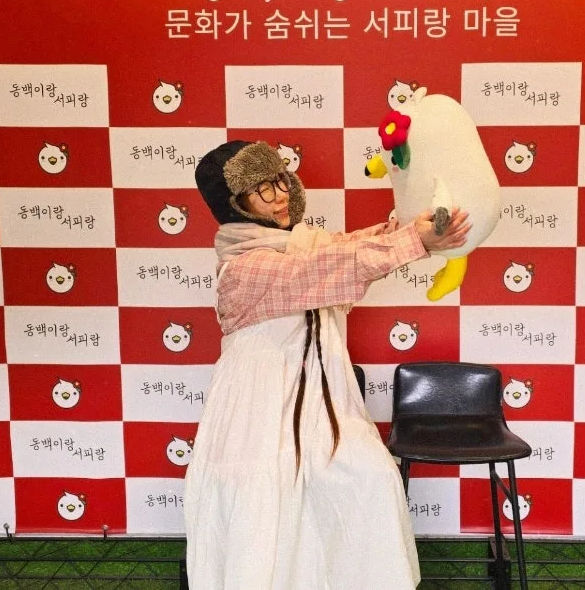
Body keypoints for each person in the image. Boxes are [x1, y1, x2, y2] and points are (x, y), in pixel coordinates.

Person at [183, 140, 470, 589]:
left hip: (323, 408)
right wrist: (413, 242)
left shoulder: (301, 244)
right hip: (258, 417)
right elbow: (325, 268)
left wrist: (410, 230)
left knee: (370, 480)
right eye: (261, 189)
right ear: (234, 204)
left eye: (280, 181)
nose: (279, 196)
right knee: (266, 512)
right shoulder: (241, 270)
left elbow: (347, 247)